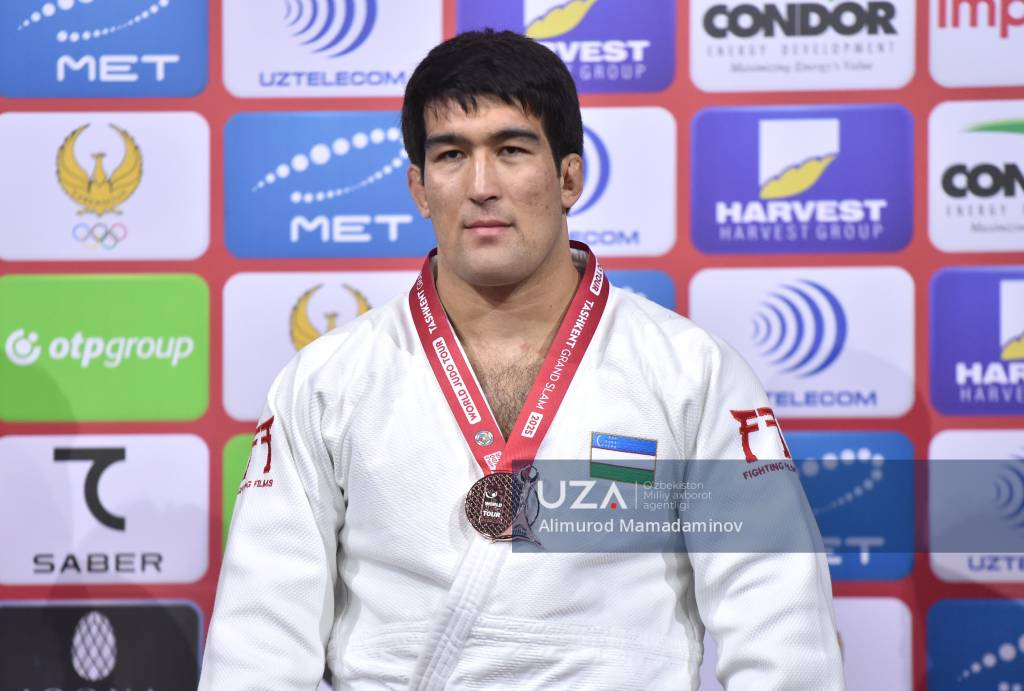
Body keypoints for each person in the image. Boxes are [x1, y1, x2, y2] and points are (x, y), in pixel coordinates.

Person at [199, 29, 845, 690]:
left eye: (511, 150)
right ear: (420, 188)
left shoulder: (691, 372)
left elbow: (780, 628)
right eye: (452, 155)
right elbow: (259, 641)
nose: (481, 186)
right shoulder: (327, 380)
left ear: (569, 177)